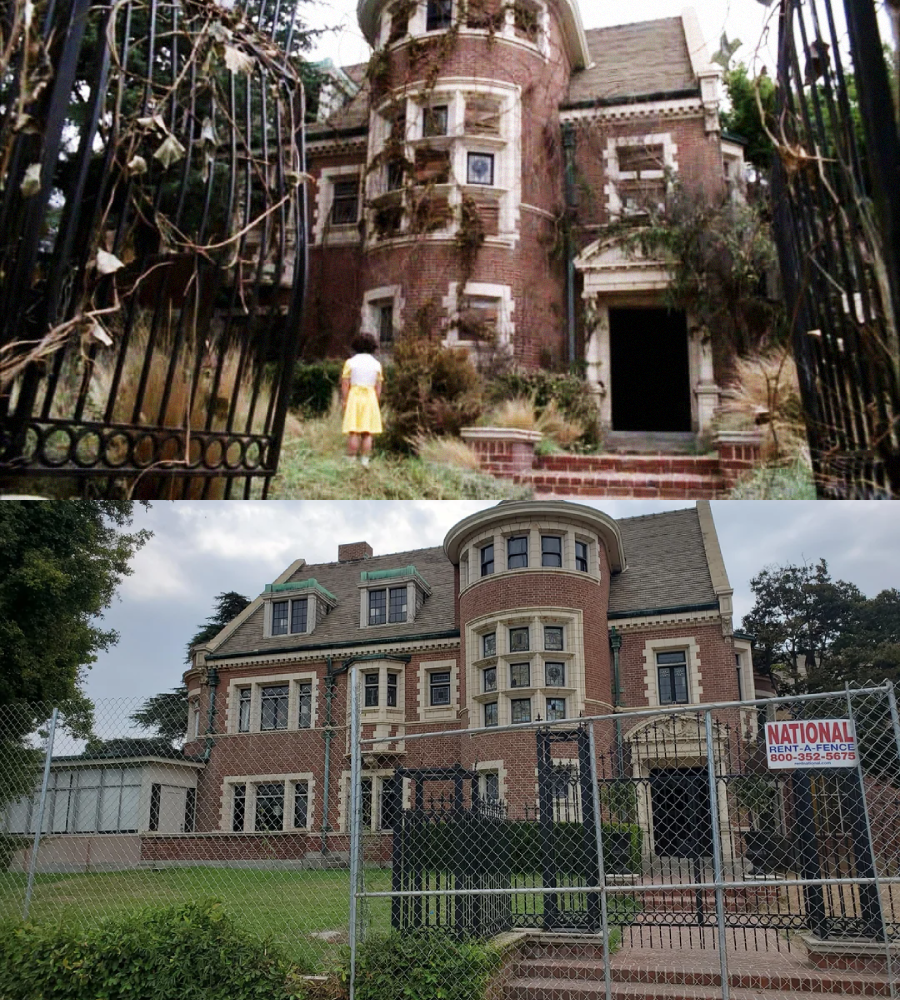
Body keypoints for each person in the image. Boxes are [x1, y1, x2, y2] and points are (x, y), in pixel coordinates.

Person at [341, 332, 383, 467]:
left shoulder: (350, 363)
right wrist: (375, 400)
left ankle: (351, 459)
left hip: (355, 396)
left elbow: (345, 383)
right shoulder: (377, 364)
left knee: (354, 430)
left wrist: (345, 399)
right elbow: (378, 385)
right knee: (367, 432)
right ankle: (365, 460)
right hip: (370, 396)